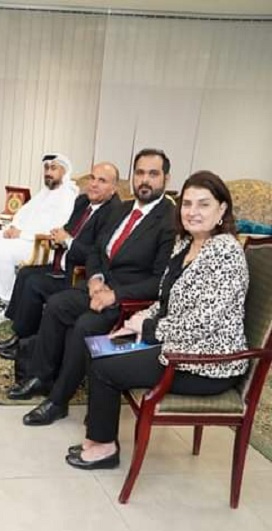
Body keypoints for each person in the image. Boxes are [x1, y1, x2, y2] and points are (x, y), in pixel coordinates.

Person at [67, 170, 248, 469]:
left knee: (104, 365)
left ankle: (104, 447)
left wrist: (148, 328)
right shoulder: (184, 245)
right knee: (98, 346)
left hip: (206, 362)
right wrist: (136, 320)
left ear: (222, 209)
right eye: (187, 204)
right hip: (176, 345)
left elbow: (204, 324)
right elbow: (165, 300)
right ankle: (100, 434)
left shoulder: (225, 252)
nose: (192, 212)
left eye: (203, 204)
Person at [14, 148, 177, 427]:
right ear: (132, 177)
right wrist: (95, 279)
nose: (145, 180)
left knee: (84, 326)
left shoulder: (169, 221)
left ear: (165, 178)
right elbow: (97, 252)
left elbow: (159, 279)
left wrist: (114, 295)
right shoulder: (123, 209)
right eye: (140, 173)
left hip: (129, 300)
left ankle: (58, 400)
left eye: (153, 173)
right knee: (56, 305)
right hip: (99, 286)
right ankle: (41, 376)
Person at [0, 162, 121, 359]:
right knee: (26, 274)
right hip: (62, 263)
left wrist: (67, 241)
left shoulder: (114, 213)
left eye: (102, 181)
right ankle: (20, 336)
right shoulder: (82, 202)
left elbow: (98, 254)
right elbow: (68, 230)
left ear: (113, 188)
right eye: (92, 178)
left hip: (79, 277)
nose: (94, 184)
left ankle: (25, 344)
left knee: (34, 284)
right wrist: (57, 238)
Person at [0, 153, 78, 324]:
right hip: (22, 236)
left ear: (64, 172)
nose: (48, 172)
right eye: (46, 168)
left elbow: (55, 229)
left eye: (53, 168)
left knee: (4, 251)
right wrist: (12, 228)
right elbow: (23, 213)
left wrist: (22, 234)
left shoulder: (68, 197)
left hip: (41, 244)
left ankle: (7, 302)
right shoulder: (44, 193)